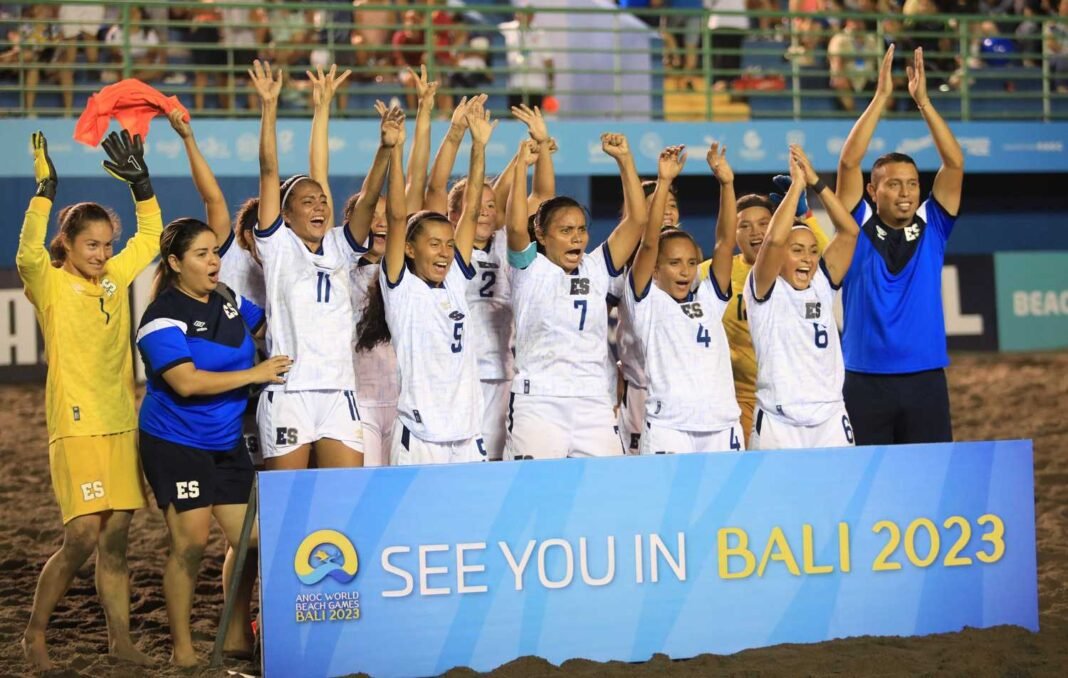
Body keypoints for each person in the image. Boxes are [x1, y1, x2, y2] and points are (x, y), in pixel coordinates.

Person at [17, 130, 159, 671]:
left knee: (116, 540)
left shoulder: (115, 277)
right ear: (69, 245)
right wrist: (44, 193)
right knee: (80, 536)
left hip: (120, 422)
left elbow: (151, 237)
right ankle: (34, 635)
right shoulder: (49, 284)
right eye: (90, 245)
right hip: (75, 428)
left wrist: (142, 187)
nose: (101, 254)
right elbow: (26, 253)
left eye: (106, 244)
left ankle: (120, 641)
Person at [135, 218, 291, 666]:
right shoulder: (160, 317)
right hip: (176, 443)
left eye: (214, 252)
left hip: (226, 442)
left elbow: (272, 326)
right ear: (174, 263)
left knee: (253, 540)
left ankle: (239, 630)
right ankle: (182, 649)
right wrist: (256, 374)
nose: (213, 261)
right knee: (191, 544)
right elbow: (186, 383)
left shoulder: (227, 298)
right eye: (201, 254)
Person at [835, 45, 964, 445]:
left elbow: (954, 164)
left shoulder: (933, 225)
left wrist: (923, 102)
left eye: (912, 184)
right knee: (868, 480)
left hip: (925, 379)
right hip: (863, 379)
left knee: (930, 476)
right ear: (872, 191)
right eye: (893, 184)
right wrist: (880, 98)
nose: (906, 192)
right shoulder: (854, 227)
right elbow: (848, 164)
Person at [357, 98, 493, 465]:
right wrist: (394, 150)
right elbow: (397, 216)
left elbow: (471, 208)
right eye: (434, 244)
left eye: (449, 244)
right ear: (410, 249)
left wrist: (479, 147)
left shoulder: (455, 281)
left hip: (467, 432)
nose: (445, 252)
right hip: (420, 435)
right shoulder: (402, 289)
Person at [250, 59, 367, 469]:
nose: (319, 206)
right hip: (290, 392)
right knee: (287, 499)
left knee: (346, 495)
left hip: (338, 390)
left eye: (322, 201)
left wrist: (323, 107)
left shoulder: (336, 244)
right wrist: (269, 107)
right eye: (307, 202)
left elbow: (321, 173)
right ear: (285, 214)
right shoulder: (278, 245)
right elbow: (269, 170)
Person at [503, 132, 647, 460]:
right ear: (541, 235)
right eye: (566, 231)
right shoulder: (529, 268)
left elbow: (637, 220)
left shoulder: (597, 267)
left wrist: (625, 160)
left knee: (604, 484)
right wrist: (520, 168)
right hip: (539, 402)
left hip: (593, 401)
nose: (577, 238)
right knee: (537, 486)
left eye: (581, 229)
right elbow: (515, 229)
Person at [443, 104, 555, 460]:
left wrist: (540, 146)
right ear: (454, 214)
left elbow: (543, 199)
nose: (486, 211)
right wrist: (511, 160)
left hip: (501, 369)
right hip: (459, 371)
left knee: (495, 460)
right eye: (478, 205)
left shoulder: (507, 243)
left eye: (493, 206)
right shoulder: (448, 250)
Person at [625, 144, 744, 454]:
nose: (685, 271)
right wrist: (664, 182)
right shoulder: (647, 303)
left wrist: (727, 184)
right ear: (655, 269)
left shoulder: (709, 299)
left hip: (722, 425)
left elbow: (725, 243)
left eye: (691, 263)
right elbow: (649, 244)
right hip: (669, 427)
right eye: (675, 263)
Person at [698, 177, 829, 448]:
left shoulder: (795, 269)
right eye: (744, 226)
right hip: (738, 397)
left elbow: (829, 261)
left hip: (795, 395)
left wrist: (805, 217)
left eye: (763, 224)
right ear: (733, 232)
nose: (755, 232)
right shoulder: (711, 272)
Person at [745, 146, 860, 450]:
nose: (807, 259)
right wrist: (796, 186)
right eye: (797, 251)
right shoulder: (764, 289)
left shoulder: (822, 283)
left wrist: (815, 182)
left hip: (830, 419)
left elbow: (849, 232)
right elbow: (773, 240)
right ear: (780, 256)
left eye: (812, 251)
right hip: (778, 422)